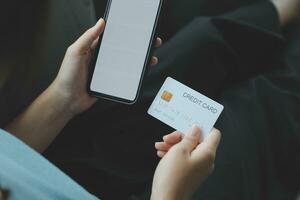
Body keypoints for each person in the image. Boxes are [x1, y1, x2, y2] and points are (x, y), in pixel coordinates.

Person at [0, 18, 221, 200]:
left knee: (206, 38)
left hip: (54, 155)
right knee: (241, 110)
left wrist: (64, 98)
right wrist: (170, 194)